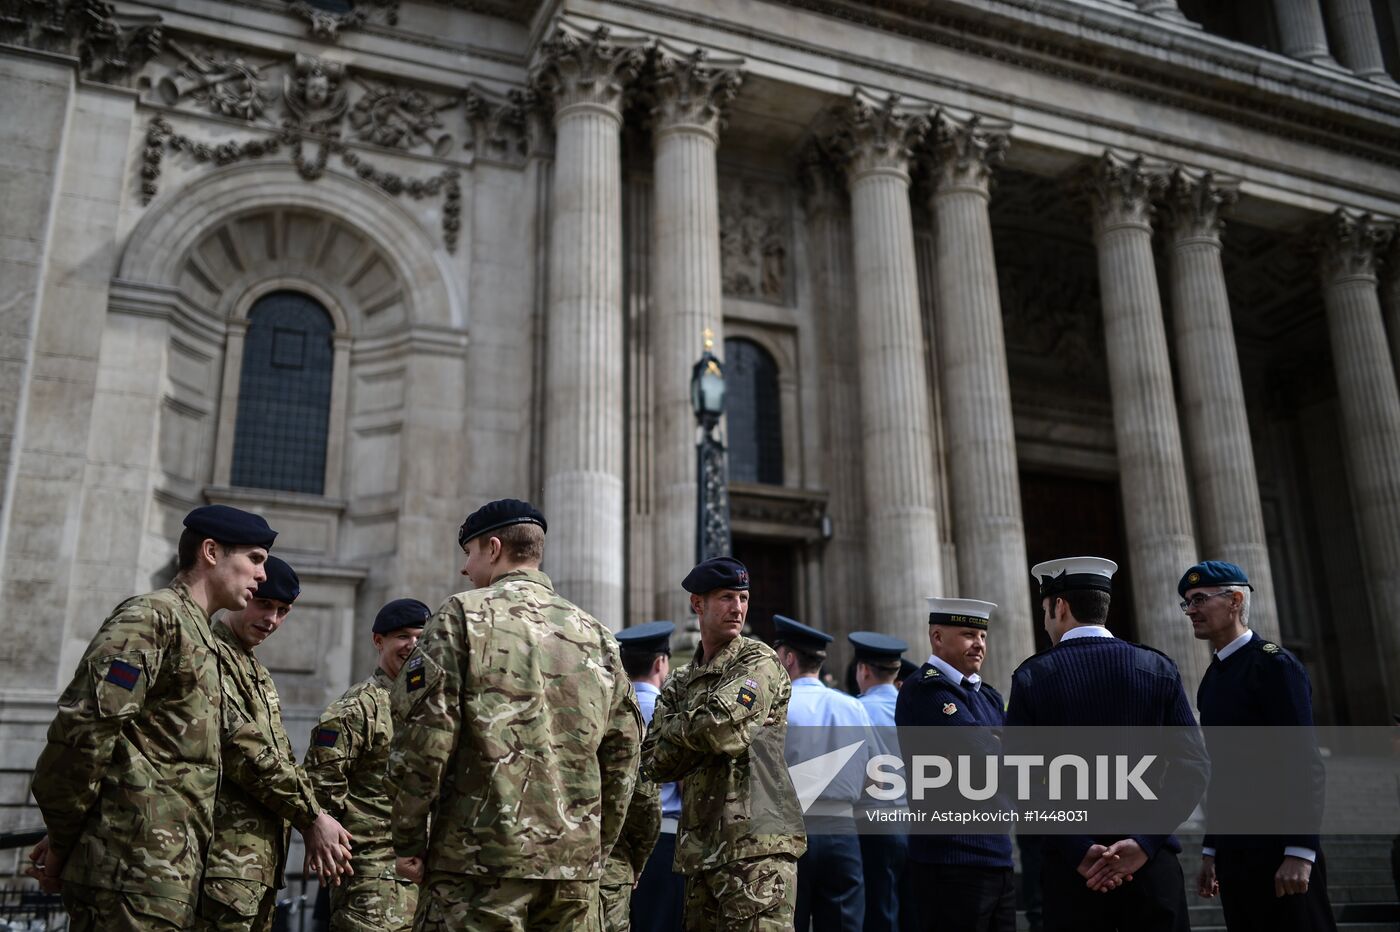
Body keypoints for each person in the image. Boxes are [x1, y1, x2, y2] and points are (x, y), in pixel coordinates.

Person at [386, 499, 642, 930]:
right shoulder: (597, 634)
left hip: (479, 865)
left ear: (493, 547)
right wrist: (595, 845)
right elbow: (624, 755)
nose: (466, 569)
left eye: (468, 554)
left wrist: (407, 838)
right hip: (573, 870)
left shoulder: (461, 616)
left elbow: (426, 739)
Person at [26, 505, 278, 930]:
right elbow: (83, 734)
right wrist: (67, 837)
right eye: (254, 559)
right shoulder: (152, 619)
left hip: (165, 876)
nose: (263, 575)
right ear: (211, 551)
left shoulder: (201, 636)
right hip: (127, 874)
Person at [1005, 556, 1209, 932]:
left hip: (1073, 874)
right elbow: (1194, 767)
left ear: (1060, 607)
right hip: (1151, 868)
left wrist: (1078, 850)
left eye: (1045, 611)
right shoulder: (1158, 668)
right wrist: (1144, 843)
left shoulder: (1033, 677)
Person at [640, 557, 806, 930]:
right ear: (697, 604)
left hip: (757, 850)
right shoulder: (682, 679)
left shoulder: (757, 659)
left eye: (744, 598)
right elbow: (655, 761)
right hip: (702, 850)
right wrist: (711, 725)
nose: (738, 608)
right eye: (727, 597)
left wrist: (680, 727)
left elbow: (720, 728)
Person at [199, 555, 352, 932]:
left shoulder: (256, 671)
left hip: (254, 867)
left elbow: (280, 758)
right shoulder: (211, 656)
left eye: (283, 611)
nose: (272, 619)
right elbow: (246, 752)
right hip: (220, 860)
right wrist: (312, 818)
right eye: (263, 604)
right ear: (241, 595)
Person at [1184, 560, 1337, 932]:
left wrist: (1300, 850)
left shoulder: (1275, 666)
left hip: (1280, 849)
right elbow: (1221, 771)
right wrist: (1211, 849)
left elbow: (1304, 762)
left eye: (1200, 599)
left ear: (1235, 600)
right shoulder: (1213, 678)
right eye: (1187, 602)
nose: (1191, 610)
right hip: (1237, 854)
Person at [305, 597, 432, 931]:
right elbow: (320, 788)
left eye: (421, 636)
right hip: (373, 883)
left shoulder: (434, 708)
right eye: (403, 636)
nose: (413, 645)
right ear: (379, 640)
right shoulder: (356, 708)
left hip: (429, 883)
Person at [896, 598, 1015, 932]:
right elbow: (980, 751)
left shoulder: (987, 695)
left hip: (997, 854)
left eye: (982, 636)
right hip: (949, 860)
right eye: (967, 634)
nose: (978, 644)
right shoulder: (925, 688)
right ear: (937, 637)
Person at [775, 614, 870, 932]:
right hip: (843, 828)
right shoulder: (853, 707)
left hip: (788, 831)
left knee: (787, 922)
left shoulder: (778, 706)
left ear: (788, 658)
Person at [615, 621, 683, 932]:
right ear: (660, 662)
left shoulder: (610, 710)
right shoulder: (672, 713)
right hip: (665, 840)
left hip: (612, 842)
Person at [848, 632, 908, 932]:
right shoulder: (915, 707)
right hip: (917, 824)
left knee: (878, 912)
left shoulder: (856, 710)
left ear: (864, 670)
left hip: (874, 824)